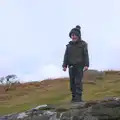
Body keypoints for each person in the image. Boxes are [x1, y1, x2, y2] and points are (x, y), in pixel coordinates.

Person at [62, 25, 89, 102]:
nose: (73, 37)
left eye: (75, 35)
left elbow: (86, 55)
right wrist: (64, 65)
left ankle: (78, 98)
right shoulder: (68, 46)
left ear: (78, 36)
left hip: (80, 66)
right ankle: (74, 97)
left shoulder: (83, 44)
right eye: (72, 35)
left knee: (78, 82)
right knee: (72, 83)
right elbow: (66, 56)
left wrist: (86, 65)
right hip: (71, 66)